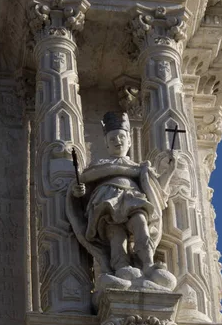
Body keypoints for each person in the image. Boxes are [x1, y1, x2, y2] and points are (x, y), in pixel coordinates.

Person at [66, 112, 177, 291]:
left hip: (133, 199)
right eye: (112, 138)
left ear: (130, 142)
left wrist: (169, 171)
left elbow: (157, 191)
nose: (118, 141)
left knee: (141, 225)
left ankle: (147, 263)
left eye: (122, 137)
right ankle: (121, 267)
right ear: (106, 143)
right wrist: (79, 192)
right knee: (116, 237)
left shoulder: (140, 168)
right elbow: (84, 188)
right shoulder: (99, 165)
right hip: (106, 203)